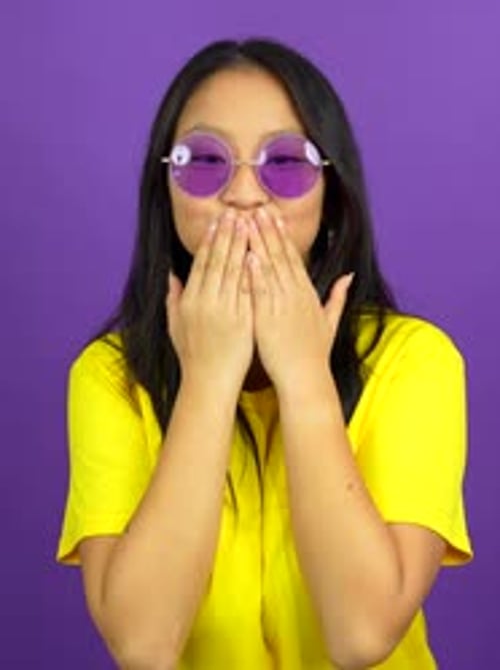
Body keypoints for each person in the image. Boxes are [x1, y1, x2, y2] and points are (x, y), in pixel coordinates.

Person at [56, 38, 472, 670]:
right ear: (164, 196)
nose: (245, 195)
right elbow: (143, 647)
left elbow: (361, 637)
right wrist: (208, 381)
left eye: (284, 162)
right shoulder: (110, 378)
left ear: (332, 195)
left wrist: (305, 379)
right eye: (204, 162)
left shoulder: (416, 362)